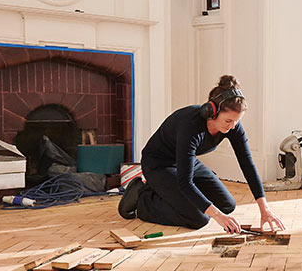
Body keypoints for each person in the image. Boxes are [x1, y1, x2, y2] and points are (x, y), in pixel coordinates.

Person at [117, 75, 286, 234]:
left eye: (237, 121)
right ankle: (142, 198)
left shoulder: (232, 127)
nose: (233, 127)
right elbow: (185, 182)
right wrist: (218, 217)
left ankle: (169, 193)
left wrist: (265, 209)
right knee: (199, 218)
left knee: (227, 205)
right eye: (228, 121)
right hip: (159, 164)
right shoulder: (190, 126)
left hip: (185, 162)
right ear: (211, 112)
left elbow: (247, 165)